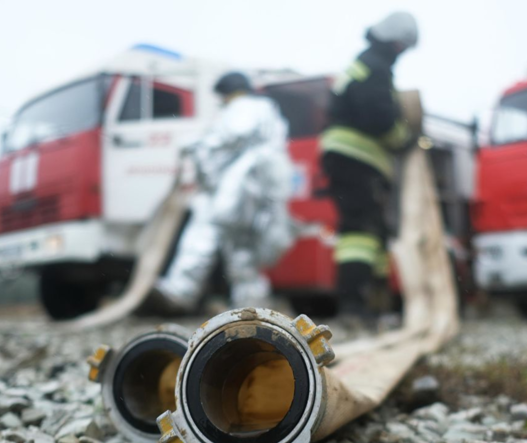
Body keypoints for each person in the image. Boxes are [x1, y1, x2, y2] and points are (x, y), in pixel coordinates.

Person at [153, 71, 294, 311]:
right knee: (241, 248)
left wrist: (196, 143)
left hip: (240, 189)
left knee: (206, 232)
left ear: (228, 93)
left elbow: (231, 135)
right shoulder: (268, 111)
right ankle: (251, 303)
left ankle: (181, 290)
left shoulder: (245, 107)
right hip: (260, 190)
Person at [320, 11, 419, 319]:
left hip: (351, 159)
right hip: (356, 159)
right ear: (394, 41)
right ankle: (354, 306)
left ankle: (374, 304)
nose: (401, 54)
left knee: (373, 233)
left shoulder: (365, 63)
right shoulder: (375, 67)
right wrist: (404, 139)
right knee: (359, 232)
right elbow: (379, 119)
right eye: (402, 46)